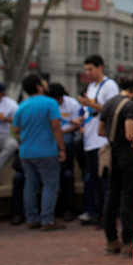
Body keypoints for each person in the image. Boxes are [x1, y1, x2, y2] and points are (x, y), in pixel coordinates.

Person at [99, 73, 133, 257]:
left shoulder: (110, 103)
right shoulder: (129, 106)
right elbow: (130, 135)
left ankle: (111, 240)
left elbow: (100, 130)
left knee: (111, 197)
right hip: (128, 159)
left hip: (112, 156)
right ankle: (128, 241)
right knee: (128, 199)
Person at [13, 74, 67, 231]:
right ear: (38, 86)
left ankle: (31, 218)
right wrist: (62, 148)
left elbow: (15, 129)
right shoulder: (50, 103)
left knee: (30, 185)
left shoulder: (22, 106)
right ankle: (47, 220)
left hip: (26, 152)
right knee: (50, 185)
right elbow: (56, 126)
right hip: (47, 151)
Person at [76, 55, 120, 225]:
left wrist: (90, 104)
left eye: (90, 69)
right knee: (93, 179)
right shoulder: (91, 87)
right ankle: (96, 213)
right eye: (86, 70)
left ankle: (107, 216)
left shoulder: (109, 86)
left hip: (103, 141)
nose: (87, 73)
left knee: (104, 182)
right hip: (89, 140)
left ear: (100, 67)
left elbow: (112, 109)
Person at [48, 83, 82, 221]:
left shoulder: (72, 104)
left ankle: (67, 165)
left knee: (68, 142)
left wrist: (61, 133)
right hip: (51, 139)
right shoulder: (48, 104)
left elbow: (77, 124)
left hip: (66, 134)